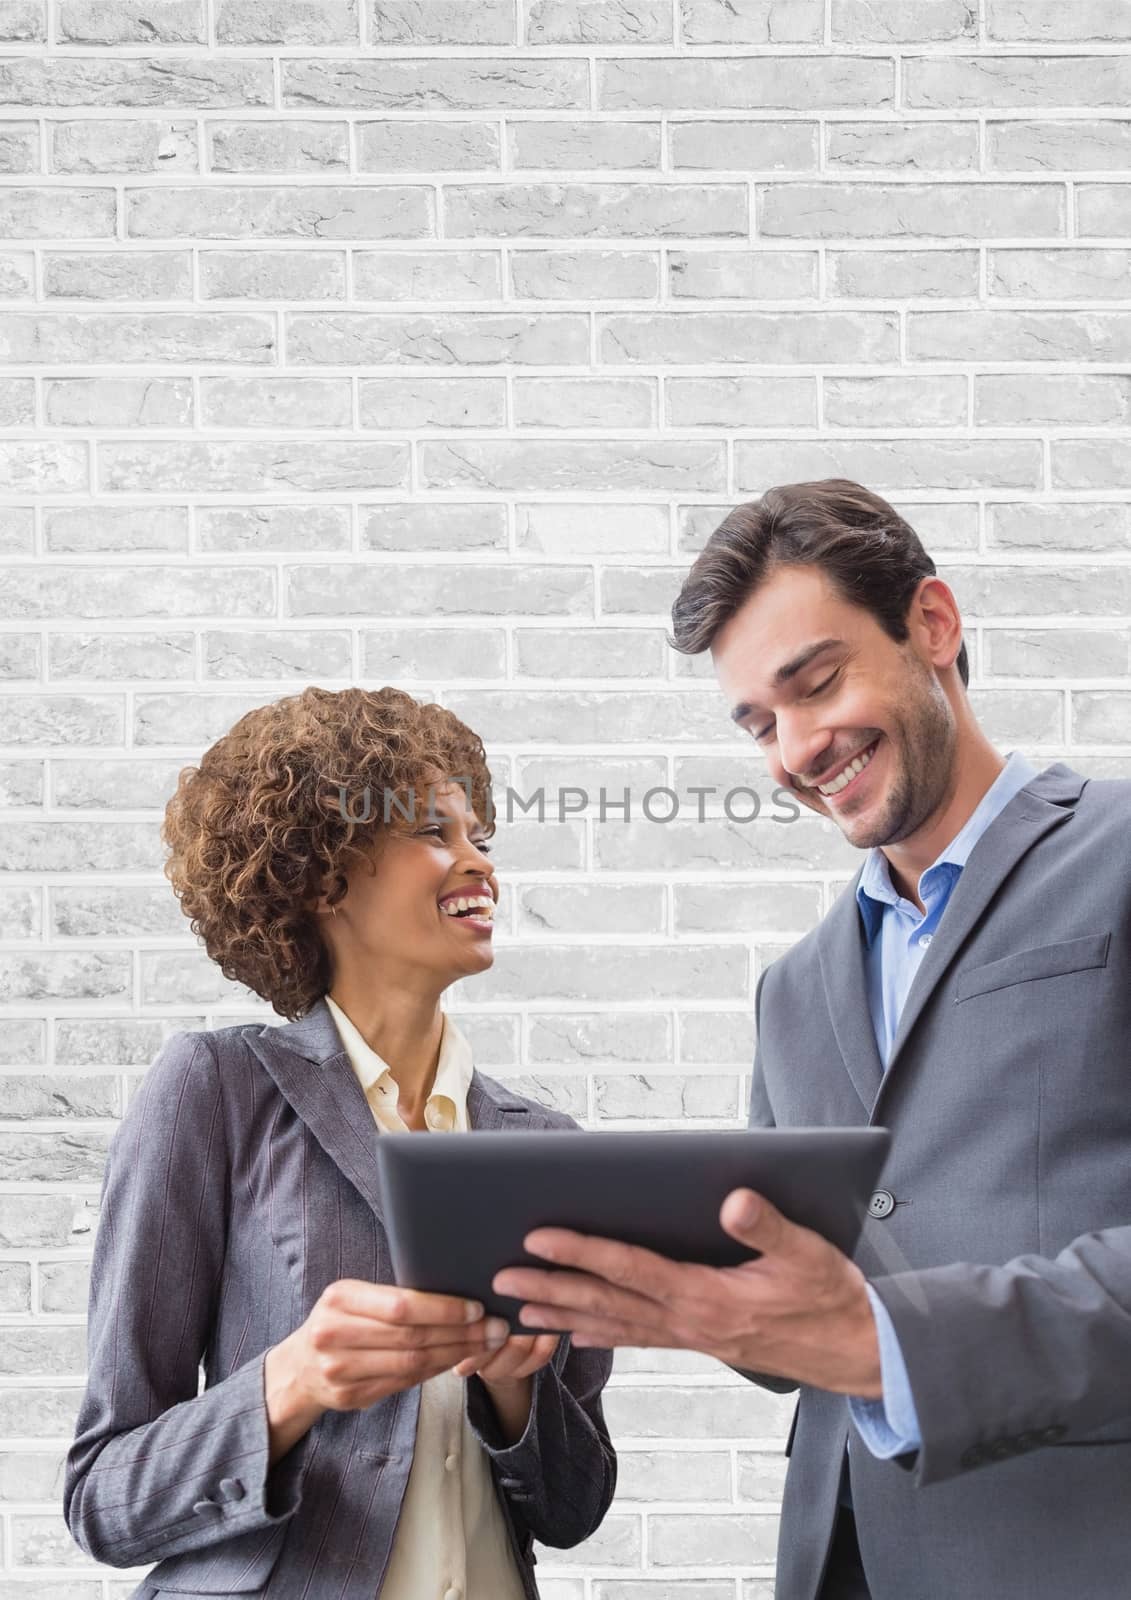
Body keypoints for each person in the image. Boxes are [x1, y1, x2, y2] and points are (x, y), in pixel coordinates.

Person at [493, 480, 1131, 1600]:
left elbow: (865, 1326)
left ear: (933, 624)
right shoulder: (796, 990)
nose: (794, 749)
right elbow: (793, 1320)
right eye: (757, 723)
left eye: (817, 682)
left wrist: (887, 1344)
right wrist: (662, 1284)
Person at [63, 685, 616, 1599]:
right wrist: (288, 1383)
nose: (477, 863)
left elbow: (575, 1507)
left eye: (480, 836)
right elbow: (105, 1498)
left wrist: (518, 1395)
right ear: (321, 877)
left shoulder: (543, 1146)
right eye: (434, 834)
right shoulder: (215, 1092)